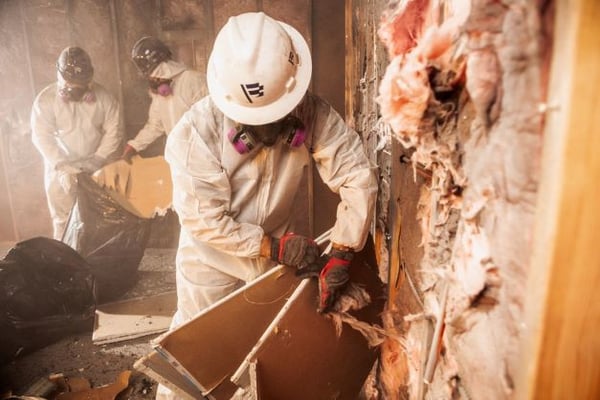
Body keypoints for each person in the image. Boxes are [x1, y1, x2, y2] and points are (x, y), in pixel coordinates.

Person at [158, 11, 377, 399]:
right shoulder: (194, 134)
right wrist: (271, 246)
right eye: (255, 121)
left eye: (277, 116)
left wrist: (344, 249)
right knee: (198, 361)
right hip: (212, 263)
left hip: (275, 264)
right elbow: (203, 219)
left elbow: (356, 175)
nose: (271, 131)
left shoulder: (310, 112)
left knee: (266, 358)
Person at [31, 46, 123, 240]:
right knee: (63, 220)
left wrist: (97, 160)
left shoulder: (105, 98)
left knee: (99, 219)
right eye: (71, 84)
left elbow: (114, 132)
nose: (75, 90)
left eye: (80, 85)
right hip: (60, 171)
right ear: (60, 76)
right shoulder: (46, 100)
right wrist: (63, 166)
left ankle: (95, 265)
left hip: (96, 168)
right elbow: (42, 136)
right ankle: (64, 263)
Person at [121, 36, 205, 160]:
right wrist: (134, 145)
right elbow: (155, 125)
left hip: (203, 153)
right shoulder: (159, 95)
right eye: (152, 77)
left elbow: (211, 118)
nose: (155, 81)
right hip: (179, 156)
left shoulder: (194, 81)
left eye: (157, 75)